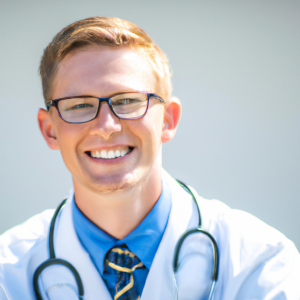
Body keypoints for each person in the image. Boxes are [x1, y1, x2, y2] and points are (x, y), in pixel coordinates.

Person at [0, 16, 299, 300]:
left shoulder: (261, 262)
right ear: (49, 130)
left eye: (127, 101)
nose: (106, 127)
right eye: (79, 105)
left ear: (169, 119)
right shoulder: (7, 274)